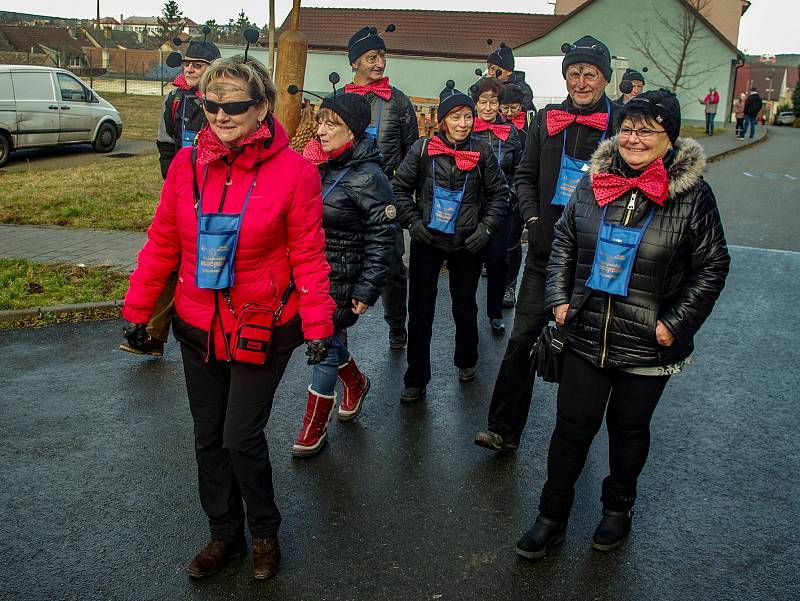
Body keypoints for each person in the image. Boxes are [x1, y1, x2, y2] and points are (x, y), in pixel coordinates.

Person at [121, 56, 335, 580]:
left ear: (262, 107)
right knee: (208, 438)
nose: (219, 114)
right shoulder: (185, 165)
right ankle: (224, 535)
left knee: (241, 436)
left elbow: (309, 254)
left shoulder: (296, 172)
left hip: (263, 323)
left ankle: (263, 531)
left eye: (233, 104)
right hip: (197, 322)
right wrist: (140, 310)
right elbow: (164, 242)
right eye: (210, 104)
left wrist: (319, 326)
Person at [516, 90, 730, 558]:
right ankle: (550, 517)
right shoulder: (594, 182)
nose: (634, 138)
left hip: (649, 343)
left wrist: (673, 324)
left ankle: (617, 510)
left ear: (669, 140)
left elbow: (712, 266)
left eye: (647, 130)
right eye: (628, 128)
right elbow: (564, 244)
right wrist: (557, 302)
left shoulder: (694, 196)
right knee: (572, 427)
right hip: (586, 331)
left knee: (628, 430)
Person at [474, 35, 620, 452]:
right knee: (521, 339)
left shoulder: (622, 125)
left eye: (589, 73)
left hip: (599, 260)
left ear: (605, 78)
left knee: (585, 355)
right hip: (544, 252)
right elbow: (523, 175)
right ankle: (503, 429)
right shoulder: (547, 119)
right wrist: (532, 218)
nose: (581, 81)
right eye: (574, 73)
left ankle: (576, 441)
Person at [293, 92, 396, 457]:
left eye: (330, 124)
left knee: (321, 347)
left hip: (342, 278)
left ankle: (313, 429)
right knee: (330, 341)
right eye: (320, 121)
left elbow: (383, 239)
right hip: (309, 272)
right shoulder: (316, 164)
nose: (320, 130)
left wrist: (367, 290)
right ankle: (355, 381)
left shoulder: (370, 177)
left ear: (351, 132)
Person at [392, 81, 508, 402]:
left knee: (464, 306)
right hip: (427, 240)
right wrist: (412, 223)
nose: (463, 124)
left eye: (467, 117)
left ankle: (467, 360)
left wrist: (485, 229)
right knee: (421, 311)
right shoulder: (422, 149)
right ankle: (415, 378)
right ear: (442, 121)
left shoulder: (482, 151)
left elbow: (500, 195)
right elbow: (400, 189)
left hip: (467, 243)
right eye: (455, 118)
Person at [119, 36, 222, 358]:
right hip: (183, 191)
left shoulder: (225, 100)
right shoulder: (175, 99)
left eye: (199, 65)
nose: (190, 68)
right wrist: (175, 180)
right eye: (188, 62)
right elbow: (165, 143)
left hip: (220, 194)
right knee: (168, 259)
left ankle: (215, 335)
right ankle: (153, 334)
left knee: (208, 263)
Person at [340, 25, 419, 350]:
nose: (380, 63)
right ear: (355, 63)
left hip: (385, 200)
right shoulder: (339, 100)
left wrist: (397, 191)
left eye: (382, 57)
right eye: (372, 57)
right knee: (339, 264)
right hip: (345, 199)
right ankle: (335, 330)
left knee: (392, 269)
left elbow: (413, 153)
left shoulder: (399, 102)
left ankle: (397, 326)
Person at [470, 77, 522, 334]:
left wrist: (509, 196)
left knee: (497, 261)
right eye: (483, 102)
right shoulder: (467, 130)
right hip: (471, 208)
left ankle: (495, 312)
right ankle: (468, 312)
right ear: (476, 104)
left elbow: (521, 169)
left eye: (493, 102)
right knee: (469, 261)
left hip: (502, 207)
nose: (488, 107)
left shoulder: (512, 133)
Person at [499, 83, 530, 310]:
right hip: (493, 193)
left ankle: (510, 284)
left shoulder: (528, 126)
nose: (509, 113)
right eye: (505, 108)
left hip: (518, 191)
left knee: (512, 240)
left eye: (514, 108)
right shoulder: (494, 126)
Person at [486, 41, 535, 113]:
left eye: (494, 68)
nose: (490, 72)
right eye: (488, 68)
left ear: (509, 71)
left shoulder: (523, 89)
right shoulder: (487, 84)